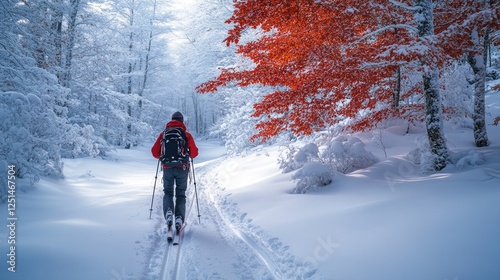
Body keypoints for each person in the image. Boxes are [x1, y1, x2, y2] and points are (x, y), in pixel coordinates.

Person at [151, 111, 198, 231]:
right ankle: (179, 218)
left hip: (167, 168)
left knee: (168, 192)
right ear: (182, 121)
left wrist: (163, 157)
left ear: (171, 120)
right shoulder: (186, 135)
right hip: (182, 168)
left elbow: (154, 152)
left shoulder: (164, 134)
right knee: (180, 194)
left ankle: (168, 213)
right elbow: (194, 153)